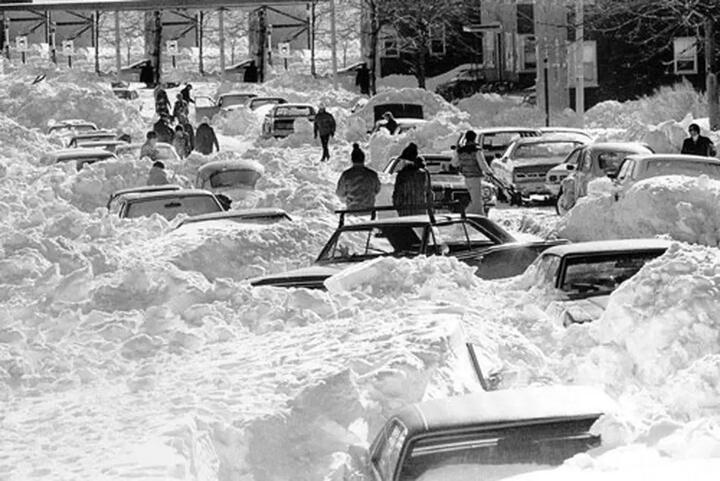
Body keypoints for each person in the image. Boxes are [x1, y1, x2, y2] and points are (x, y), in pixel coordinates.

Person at [451, 130, 492, 215]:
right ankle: (465, 216)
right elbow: (482, 163)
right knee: (476, 202)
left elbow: (454, 163)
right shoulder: (476, 150)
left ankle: (480, 216)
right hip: (475, 178)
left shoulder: (461, 151)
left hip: (466, 178)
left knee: (476, 200)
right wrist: (489, 172)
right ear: (474, 138)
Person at [336, 143, 381, 210]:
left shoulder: (346, 175)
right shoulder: (372, 174)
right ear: (363, 159)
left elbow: (340, 193)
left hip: (352, 210)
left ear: (352, 159)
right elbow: (377, 190)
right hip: (369, 210)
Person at [392, 143, 433, 216]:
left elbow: (397, 196)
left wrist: (398, 207)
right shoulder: (425, 173)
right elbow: (429, 194)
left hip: (406, 214)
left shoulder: (402, 175)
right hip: (421, 214)